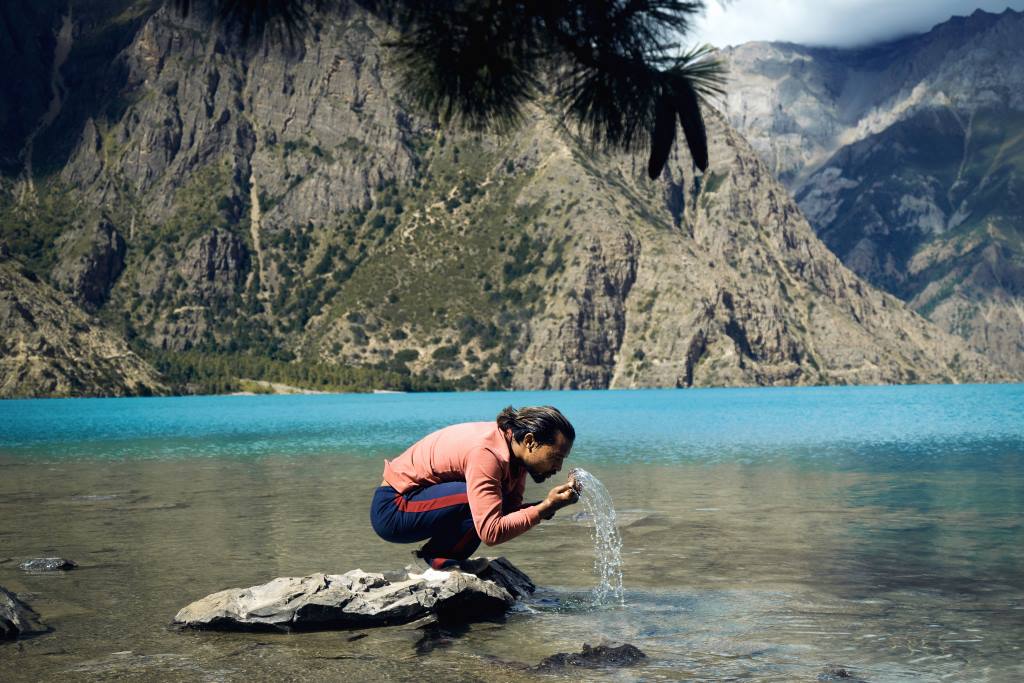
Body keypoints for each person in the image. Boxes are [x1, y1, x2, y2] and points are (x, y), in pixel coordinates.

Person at [370, 405, 579, 571]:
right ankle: (435, 560)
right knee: (476, 502)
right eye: (556, 457)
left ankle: (442, 558)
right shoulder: (487, 453)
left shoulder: (515, 457)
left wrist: (549, 506)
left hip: (420, 504)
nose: (558, 467)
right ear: (530, 441)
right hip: (394, 509)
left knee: (491, 503)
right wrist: (545, 507)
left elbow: (505, 513)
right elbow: (491, 531)